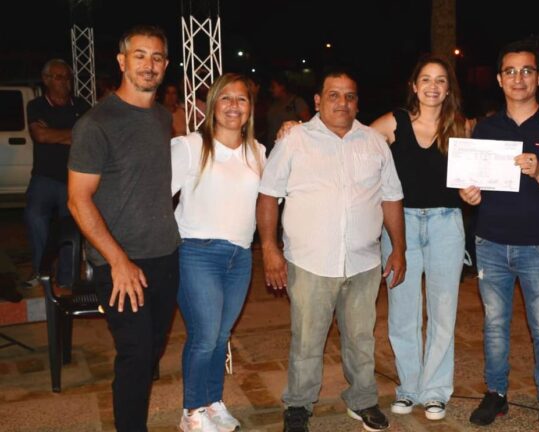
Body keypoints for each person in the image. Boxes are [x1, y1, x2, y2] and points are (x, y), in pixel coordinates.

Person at [257, 68, 406, 432]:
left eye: (350, 96)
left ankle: (363, 399)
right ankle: (298, 404)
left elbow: (391, 198)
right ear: (318, 101)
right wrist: (269, 249)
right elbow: (268, 195)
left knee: (361, 338)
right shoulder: (295, 140)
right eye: (334, 95)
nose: (342, 103)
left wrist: (399, 249)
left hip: (363, 262)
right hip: (310, 261)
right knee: (307, 340)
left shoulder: (374, 142)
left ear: (358, 102)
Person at [459, 40, 539, 432]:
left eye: (526, 70)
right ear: (499, 79)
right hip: (490, 242)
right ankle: (496, 394)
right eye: (510, 71)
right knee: (495, 326)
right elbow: (473, 184)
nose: (518, 78)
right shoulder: (486, 128)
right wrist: (469, 194)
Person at [68, 25, 180, 432]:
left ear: (165, 65)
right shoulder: (96, 124)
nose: (149, 65)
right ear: (122, 61)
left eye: (157, 57)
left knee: (151, 350)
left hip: (165, 255)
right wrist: (118, 261)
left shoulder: (163, 117)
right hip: (120, 262)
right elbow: (78, 200)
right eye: (140, 55)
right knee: (135, 355)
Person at [368, 55, 470, 421]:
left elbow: (470, 182)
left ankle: (436, 391)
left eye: (440, 80)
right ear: (414, 86)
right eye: (425, 79)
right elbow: (353, 141)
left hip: (447, 224)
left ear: (448, 88)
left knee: (443, 311)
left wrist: (473, 193)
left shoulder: (460, 127)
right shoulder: (393, 122)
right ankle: (409, 388)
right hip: (401, 226)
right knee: (402, 310)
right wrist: (297, 127)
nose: (432, 86)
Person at [171, 73, 266, 432]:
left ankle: (212, 402)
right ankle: (191, 411)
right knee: (205, 336)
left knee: (221, 336)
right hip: (197, 253)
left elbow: (271, 201)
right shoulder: (190, 146)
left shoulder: (258, 152)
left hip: (240, 256)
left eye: (241, 99)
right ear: (212, 105)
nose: (233, 106)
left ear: (250, 107)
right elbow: (157, 197)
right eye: (225, 98)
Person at [24, 59, 90, 288]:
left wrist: (54, 134)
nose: (66, 82)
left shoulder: (81, 105)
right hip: (44, 176)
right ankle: (41, 270)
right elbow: (40, 136)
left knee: (71, 227)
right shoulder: (36, 105)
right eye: (60, 77)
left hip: (74, 177)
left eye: (68, 77)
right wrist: (71, 135)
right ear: (46, 80)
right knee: (35, 218)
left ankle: (67, 277)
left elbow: (86, 137)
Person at [265, 72, 311, 152]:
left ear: (282, 87)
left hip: (290, 149)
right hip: (272, 149)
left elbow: (308, 126)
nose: (270, 90)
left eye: (273, 87)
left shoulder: (296, 102)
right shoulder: (273, 104)